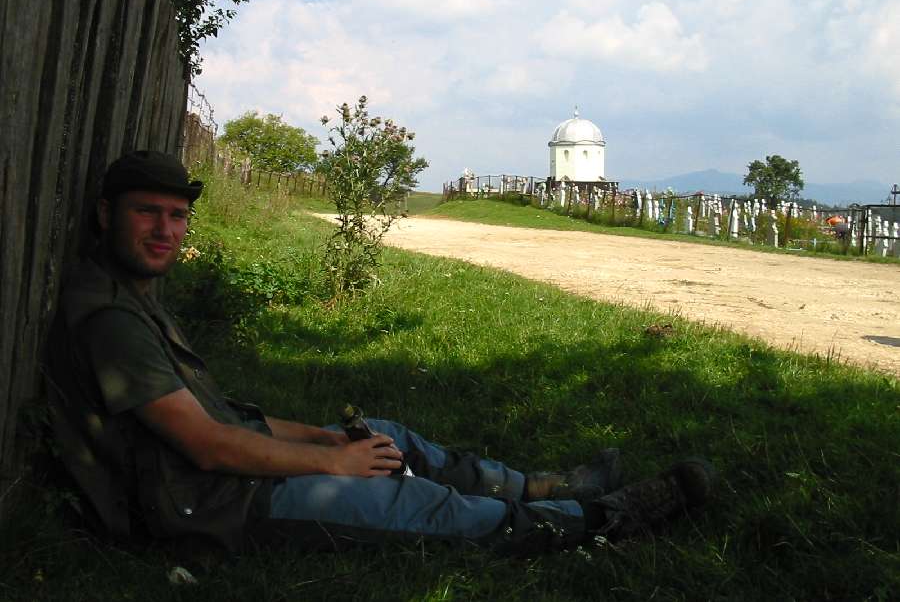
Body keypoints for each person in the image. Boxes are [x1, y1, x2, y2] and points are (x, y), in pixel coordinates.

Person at [48, 150, 714, 554]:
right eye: (147, 212)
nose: (165, 230)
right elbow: (207, 445)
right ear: (106, 214)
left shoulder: (135, 296)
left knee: (389, 436)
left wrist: (322, 436)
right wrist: (331, 461)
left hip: (226, 475)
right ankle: (597, 520)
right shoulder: (111, 320)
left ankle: (542, 485)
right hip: (211, 505)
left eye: (176, 215)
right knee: (423, 509)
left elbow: (221, 417)